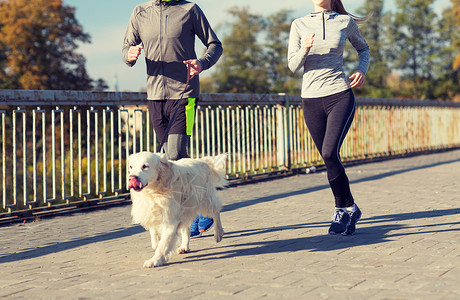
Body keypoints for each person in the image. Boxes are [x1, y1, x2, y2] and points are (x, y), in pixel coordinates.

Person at [122, 0, 222, 238]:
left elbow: (214, 45)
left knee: (175, 153)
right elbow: (126, 49)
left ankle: (198, 211)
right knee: (168, 159)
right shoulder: (140, 12)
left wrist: (202, 63)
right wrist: (130, 54)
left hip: (185, 93)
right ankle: (192, 205)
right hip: (155, 96)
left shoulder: (190, 10)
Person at [288, 0, 370, 235]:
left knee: (328, 152)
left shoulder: (345, 22)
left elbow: (363, 48)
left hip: (340, 94)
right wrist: (304, 48)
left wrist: (361, 69)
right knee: (329, 159)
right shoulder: (299, 24)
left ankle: (339, 208)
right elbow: (292, 65)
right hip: (311, 99)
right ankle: (351, 207)